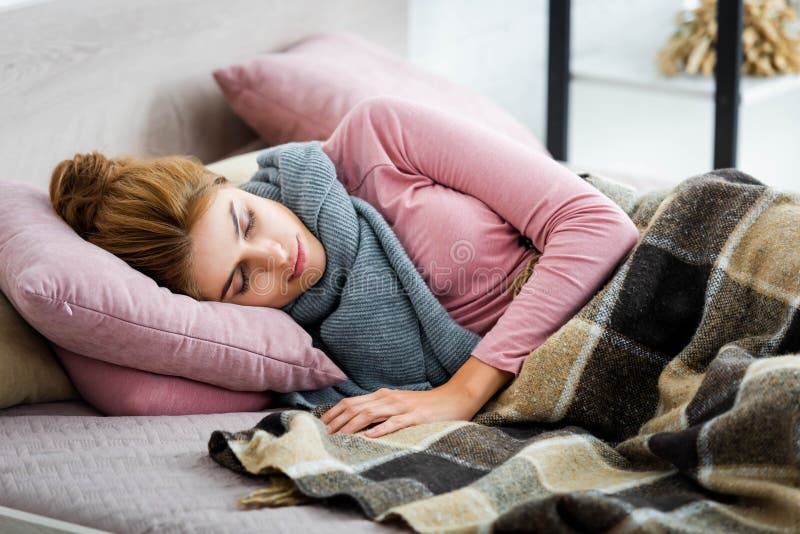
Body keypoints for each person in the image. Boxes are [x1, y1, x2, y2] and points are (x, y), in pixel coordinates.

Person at [49, 96, 640, 439]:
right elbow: (131, 378)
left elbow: (598, 226)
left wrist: (463, 391)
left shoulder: (376, 137)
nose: (278, 259)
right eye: (242, 279)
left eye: (248, 221)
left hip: (654, 261)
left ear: (236, 185)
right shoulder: (297, 352)